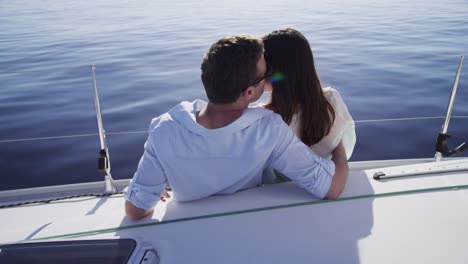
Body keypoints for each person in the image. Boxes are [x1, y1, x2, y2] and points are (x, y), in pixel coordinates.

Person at [124, 35, 349, 220]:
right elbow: (331, 189)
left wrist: (156, 187)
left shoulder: (164, 129)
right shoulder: (267, 128)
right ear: (249, 92)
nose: (269, 77)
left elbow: (136, 211)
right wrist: (339, 153)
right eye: (265, 74)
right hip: (247, 225)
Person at [262, 28, 355, 169]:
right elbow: (347, 143)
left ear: (270, 69)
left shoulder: (264, 118)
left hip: (279, 189)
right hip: (329, 176)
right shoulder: (332, 99)